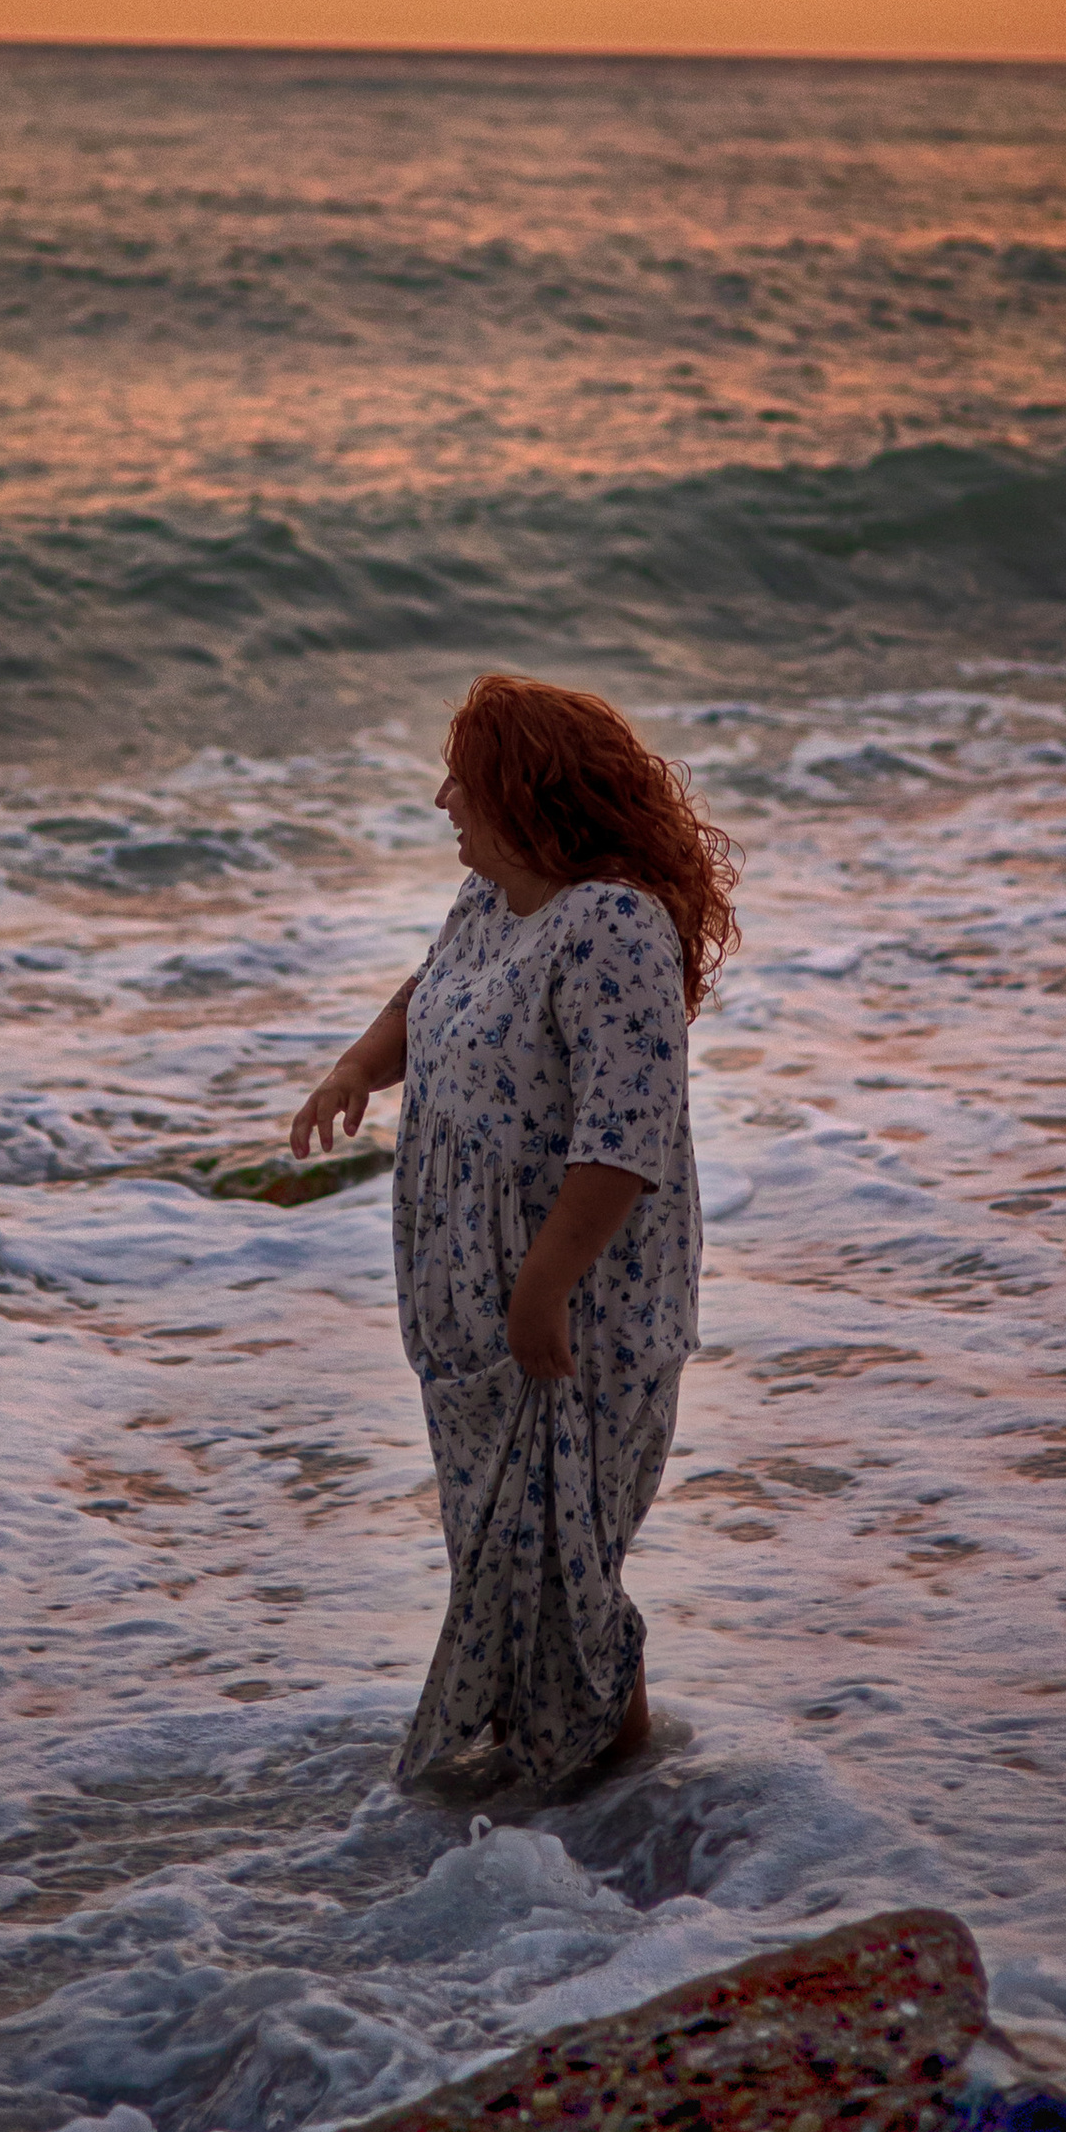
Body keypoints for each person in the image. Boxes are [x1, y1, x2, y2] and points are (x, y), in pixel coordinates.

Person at [289, 672, 738, 1790]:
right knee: (510, 1561)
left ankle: (620, 1806)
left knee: (567, 1564)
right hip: (471, 1295)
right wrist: (354, 1068)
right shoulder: (493, 901)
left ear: (528, 795)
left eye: (465, 779)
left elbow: (623, 1136)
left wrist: (539, 1289)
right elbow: (423, 991)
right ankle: (574, 1798)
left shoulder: (615, 926)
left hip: (584, 1300)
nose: (444, 799)